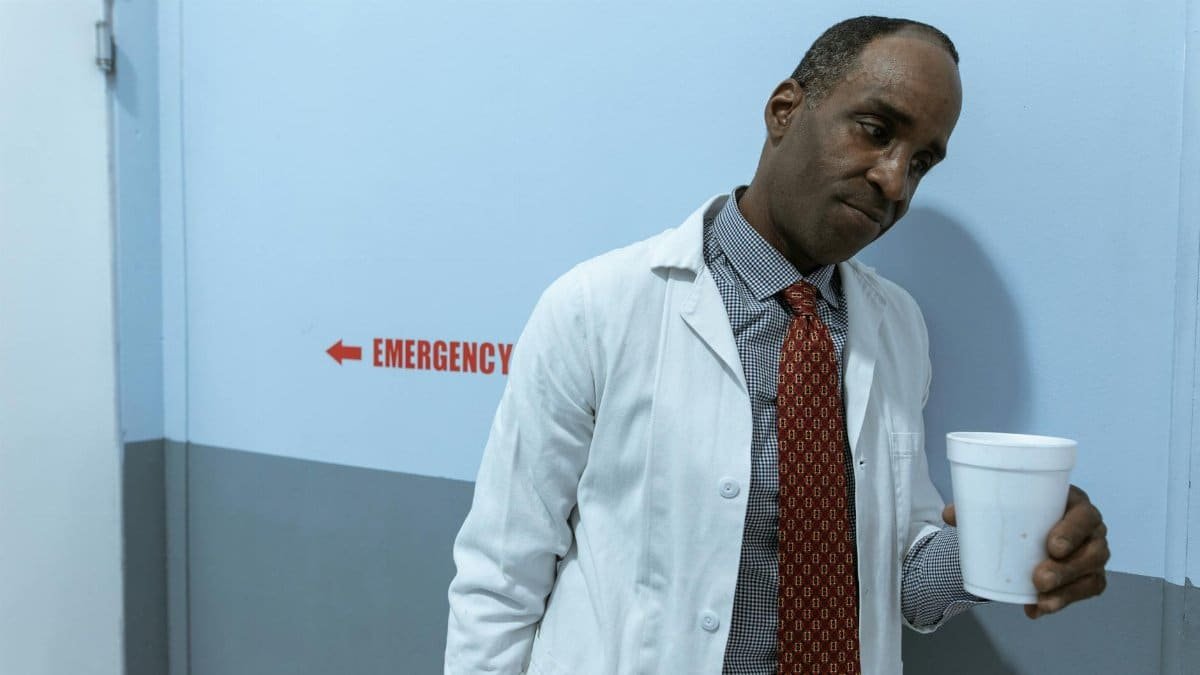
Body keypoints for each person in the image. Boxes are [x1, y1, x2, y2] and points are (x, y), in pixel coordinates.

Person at [445, 16, 1110, 675]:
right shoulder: (599, 306)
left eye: (922, 162)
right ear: (785, 110)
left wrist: (1016, 541)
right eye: (876, 131)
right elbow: (501, 577)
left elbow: (899, 573)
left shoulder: (896, 326)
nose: (895, 181)